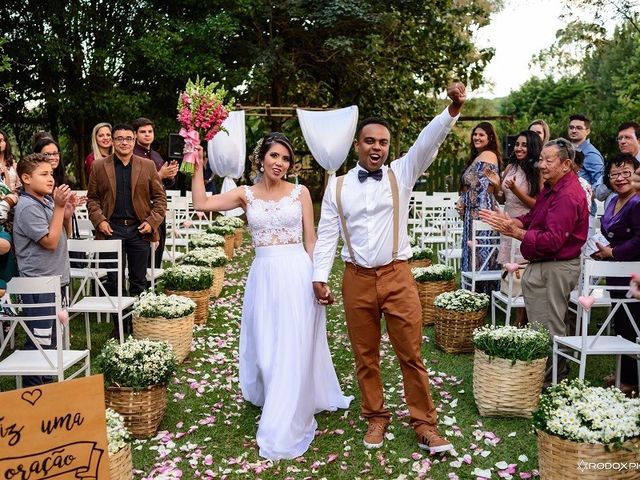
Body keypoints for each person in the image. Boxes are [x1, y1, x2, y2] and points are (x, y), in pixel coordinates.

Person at [312, 82, 466, 453]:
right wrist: (319, 276)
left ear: (388, 147)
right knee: (365, 356)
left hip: (398, 276)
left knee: (410, 354)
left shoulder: (402, 172)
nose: (376, 147)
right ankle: (376, 417)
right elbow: (327, 234)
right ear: (357, 146)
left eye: (382, 142)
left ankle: (425, 423)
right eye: (369, 141)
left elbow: (427, 142)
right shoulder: (337, 187)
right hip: (356, 279)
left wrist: (452, 109)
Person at [190, 132, 352, 460]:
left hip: (297, 274)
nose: (279, 163)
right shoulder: (245, 195)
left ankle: (286, 409)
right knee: (266, 347)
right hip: (263, 276)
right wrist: (195, 162)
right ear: (261, 158)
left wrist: (318, 278)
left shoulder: (301, 193)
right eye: (274, 156)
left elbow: (311, 239)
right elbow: (201, 203)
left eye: (285, 159)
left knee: (292, 344)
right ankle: (275, 390)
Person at [479, 138, 590, 384]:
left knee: (551, 326)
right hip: (543, 264)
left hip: (556, 265)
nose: (541, 165)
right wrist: (513, 223)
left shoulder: (568, 195)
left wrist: (516, 233)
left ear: (566, 164)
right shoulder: (551, 187)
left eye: (548, 161)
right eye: (541, 159)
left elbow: (552, 241)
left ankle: (552, 380)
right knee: (541, 323)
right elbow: (534, 217)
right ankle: (544, 374)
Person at [86, 124, 167, 338]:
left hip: (139, 229)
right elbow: (92, 199)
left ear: (133, 141)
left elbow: (160, 199)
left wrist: (151, 222)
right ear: (112, 141)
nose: (124, 142)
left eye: (128, 139)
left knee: (139, 280)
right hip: (111, 229)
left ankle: (138, 326)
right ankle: (119, 325)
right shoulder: (99, 166)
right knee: (114, 280)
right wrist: (99, 221)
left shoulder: (147, 166)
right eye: (119, 138)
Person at [12, 153, 77, 386]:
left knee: (52, 340)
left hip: (55, 280)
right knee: (39, 342)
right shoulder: (28, 207)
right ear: (26, 178)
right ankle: (34, 391)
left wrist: (66, 214)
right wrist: (59, 207)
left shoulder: (46, 202)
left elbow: (63, 237)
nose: (51, 179)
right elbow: (49, 242)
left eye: (51, 174)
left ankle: (48, 387)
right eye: (44, 174)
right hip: (38, 283)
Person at [591, 152, 640, 395]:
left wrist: (613, 252)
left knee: (632, 323)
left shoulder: (637, 202)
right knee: (620, 321)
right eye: (614, 174)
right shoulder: (612, 201)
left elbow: (639, 240)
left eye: (626, 173)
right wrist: (601, 251)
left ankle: (631, 380)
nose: (620, 178)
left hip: (632, 272)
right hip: (613, 271)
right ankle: (623, 372)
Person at [485, 130, 542, 264]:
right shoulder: (511, 167)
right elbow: (502, 199)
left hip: (526, 225)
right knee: (507, 269)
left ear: (532, 147)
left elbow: (538, 206)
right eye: (517, 144)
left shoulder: (538, 171)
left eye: (524, 145)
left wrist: (516, 190)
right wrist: (496, 186)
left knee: (521, 268)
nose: (519, 148)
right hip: (508, 222)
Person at [458, 122, 501, 294]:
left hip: (481, 210)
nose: (477, 137)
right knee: (474, 249)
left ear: (490, 137)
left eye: (481, 134)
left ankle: (481, 293)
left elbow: (479, 186)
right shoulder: (479, 156)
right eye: (475, 134)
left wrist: (464, 200)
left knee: (481, 250)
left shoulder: (488, 155)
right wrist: (463, 201)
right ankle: (474, 292)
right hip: (473, 210)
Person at [132, 117, 178, 269]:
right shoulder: (132, 156)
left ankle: (153, 289)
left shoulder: (157, 156)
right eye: (143, 132)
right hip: (142, 213)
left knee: (157, 257)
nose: (147, 135)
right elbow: (136, 184)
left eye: (150, 131)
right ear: (135, 134)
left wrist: (170, 176)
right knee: (143, 258)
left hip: (159, 212)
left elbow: (164, 185)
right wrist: (160, 175)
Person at [595, 122, 640, 211]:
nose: (622, 141)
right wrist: (612, 182)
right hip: (610, 219)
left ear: (638, 140)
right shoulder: (613, 164)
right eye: (620, 138)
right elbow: (599, 194)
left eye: (627, 137)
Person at [568, 114, 604, 216]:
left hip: (584, 212)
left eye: (579, 128)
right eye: (571, 127)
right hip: (567, 209)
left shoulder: (591, 154)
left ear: (587, 131)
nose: (574, 130)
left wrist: (583, 197)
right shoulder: (568, 150)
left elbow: (601, 182)